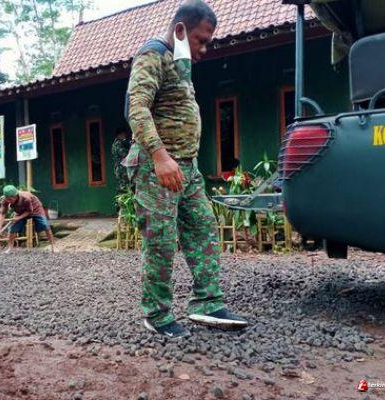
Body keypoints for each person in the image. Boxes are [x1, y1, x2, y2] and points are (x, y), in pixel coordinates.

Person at [125, 0, 247, 337]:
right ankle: (157, 314)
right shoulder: (153, 54)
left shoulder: (180, 62)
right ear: (180, 30)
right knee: (161, 240)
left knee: (203, 228)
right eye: (201, 40)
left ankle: (207, 303)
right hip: (158, 167)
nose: (204, 49)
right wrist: (160, 156)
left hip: (186, 168)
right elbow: (137, 108)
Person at [0, 185, 55, 253]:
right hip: (20, 211)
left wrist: (19, 218)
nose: (9, 201)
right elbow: (2, 214)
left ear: (15, 196)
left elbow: (29, 211)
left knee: (45, 225)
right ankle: (10, 248)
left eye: (10, 199)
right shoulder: (5, 200)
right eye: (7, 199)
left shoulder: (26, 198)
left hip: (35, 209)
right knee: (12, 228)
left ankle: (53, 246)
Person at [111, 126, 132, 197]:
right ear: (120, 134)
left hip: (120, 169)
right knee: (124, 188)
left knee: (123, 187)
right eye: (124, 134)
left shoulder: (116, 143)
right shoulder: (118, 143)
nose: (125, 136)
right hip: (122, 169)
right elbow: (124, 155)